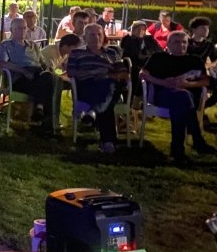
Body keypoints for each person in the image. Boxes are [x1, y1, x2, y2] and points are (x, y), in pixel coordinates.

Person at [140, 30, 215, 161]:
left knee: (182, 99)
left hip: (188, 96)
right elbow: (143, 74)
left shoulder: (194, 60)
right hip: (163, 95)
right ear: (168, 44)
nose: (181, 45)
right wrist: (163, 82)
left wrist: (186, 84)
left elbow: (207, 81)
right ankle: (196, 141)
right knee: (182, 98)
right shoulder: (159, 57)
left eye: (184, 42)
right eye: (177, 42)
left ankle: (178, 149)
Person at [65, 24, 129, 154]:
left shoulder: (111, 53)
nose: (96, 38)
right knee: (107, 102)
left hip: (109, 84)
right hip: (87, 86)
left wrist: (108, 75)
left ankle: (92, 111)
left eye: (99, 34)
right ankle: (108, 142)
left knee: (108, 84)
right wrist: (93, 73)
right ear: (84, 38)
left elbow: (123, 73)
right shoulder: (77, 53)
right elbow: (71, 72)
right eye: (92, 35)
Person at [0, 18, 57, 135]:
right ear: (12, 30)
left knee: (48, 77)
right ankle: (43, 117)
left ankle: (40, 111)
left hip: (37, 75)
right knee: (47, 84)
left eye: (24, 28)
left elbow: (43, 63)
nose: (22, 31)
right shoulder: (6, 45)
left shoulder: (33, 45)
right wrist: (23, 71)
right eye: (19, 28)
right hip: (20, 78)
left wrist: (48, 68)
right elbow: (2, 63)